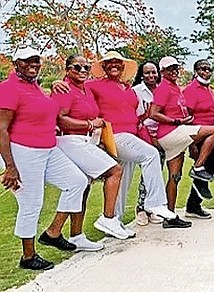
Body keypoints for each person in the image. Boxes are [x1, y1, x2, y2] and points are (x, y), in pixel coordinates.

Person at [0, 47, 88, 270]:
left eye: (36, 60)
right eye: (27, 60)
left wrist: (54, 87)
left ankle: (53, 232)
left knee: (77, 181)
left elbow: (41, 111)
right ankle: (28, 257)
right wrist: (10, 166)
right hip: (24, 151)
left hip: (48, 148)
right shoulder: (8, 88)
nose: (33, 64)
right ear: (16, 63)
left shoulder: (35, 87)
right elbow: (1, 129)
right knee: (31, 203)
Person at [86, 51, 177, 234]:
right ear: (103, 67)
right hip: (114, 134)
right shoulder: (94, 85)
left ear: (123, 66)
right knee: (150, 155)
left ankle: (113, 221)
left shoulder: (127, 88)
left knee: (123, 180)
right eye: (109, 62)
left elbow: (130, 112)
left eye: (117, 62)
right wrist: (58, 83)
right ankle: (155, 202)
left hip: (131, 134)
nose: (114, 65)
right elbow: (75, 88)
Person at [52, 54, 127, 250]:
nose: (83, 71)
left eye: (86, 68)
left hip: (87, 140)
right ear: (68, 69)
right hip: (70, 139)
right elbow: (60, 119)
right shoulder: (65, 88)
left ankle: (76, 235)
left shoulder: (86, 89)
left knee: (84, 186)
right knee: (115, 170)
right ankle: (108, 217)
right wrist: (89, 123)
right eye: (77, 68)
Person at [150, 56, 214, 228]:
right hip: (170, 132)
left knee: (175, 176)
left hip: (175, 133)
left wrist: (182, 120)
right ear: (163, 72)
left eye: (176, 68)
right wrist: (176, 122)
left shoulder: (175, 88)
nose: (174, 71)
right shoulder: (163, 88)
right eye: (169, 69)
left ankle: (170, 217)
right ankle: (198, 167)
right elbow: (153, 113)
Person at [182, 59, 214, 220]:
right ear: (195, 71)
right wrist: (192, 144)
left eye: (209, 69)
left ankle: (193, 205)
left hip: (211, 135)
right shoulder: (191, 90)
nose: (206, 72)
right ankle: (195, 197)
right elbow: (186, 117)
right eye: (202, 69)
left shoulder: (207, 89)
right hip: (198, 134)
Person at [132, 61, 165, 226]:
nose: (151, 76)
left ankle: (153, 208)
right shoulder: (136, 91)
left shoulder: (162, 90)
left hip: (162, 136)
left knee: (157, 175)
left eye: (154, 72)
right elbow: (135, 116)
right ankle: (141, 209)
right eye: (147, 73)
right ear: (141, 74)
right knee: (147, 174)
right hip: (144, 136)